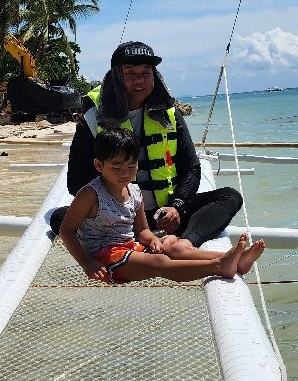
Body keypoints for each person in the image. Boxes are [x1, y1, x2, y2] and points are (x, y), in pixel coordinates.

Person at [51, 41, 243, 247]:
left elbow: (192, 168)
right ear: (116, 77)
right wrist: (117, 210)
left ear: (155, 77)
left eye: (145, 73)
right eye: (130, 73)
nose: (139, 80)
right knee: (59, 218)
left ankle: (183, 244)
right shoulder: (93, 119)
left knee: (229, 197)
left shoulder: (169, 115)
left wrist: (176, 206)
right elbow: (76, 181)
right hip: (117, 219)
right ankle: (137, 242)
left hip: (165, 215)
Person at [59, 127, 264, 284]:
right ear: (98, 165)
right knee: (160, 263)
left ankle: (237, 260)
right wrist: (86, 262)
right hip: (104, 258)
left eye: (131, 166)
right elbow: (67, 230)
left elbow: (142, 231)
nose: (124, 173)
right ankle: (219, 266)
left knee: (173, 250)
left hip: (131, 248)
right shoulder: (90, 194)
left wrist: (154, 241)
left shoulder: (135, 191)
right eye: (116, 167)